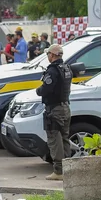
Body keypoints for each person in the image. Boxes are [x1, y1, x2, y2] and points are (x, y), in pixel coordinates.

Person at [37, 44, 75, 180]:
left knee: (54, 139)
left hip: (54, 109)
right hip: (65, 106)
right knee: (64, 138)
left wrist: (38, 90)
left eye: (48, 54)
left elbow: (46, 89)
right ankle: (67, 169)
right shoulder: (66, 68)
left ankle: (58, 171)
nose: (48, 56)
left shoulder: (52, 71)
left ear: (52, 55)